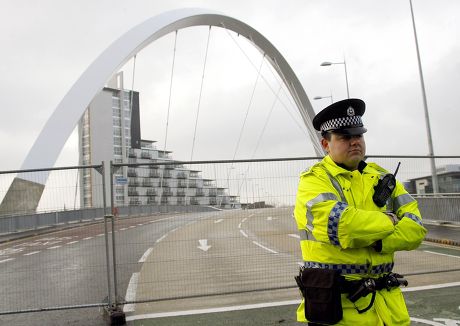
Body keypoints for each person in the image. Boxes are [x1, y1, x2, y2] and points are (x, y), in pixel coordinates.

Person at [293, 98, 427, 325]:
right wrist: (390, 221)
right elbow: (343, 226)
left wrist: (379, 241)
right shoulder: (314, 180)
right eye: (345, 137)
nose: (355, 142)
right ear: (326, 144)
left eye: (359, 135)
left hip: (389, 310)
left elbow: (416, 227)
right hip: (338, 310)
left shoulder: (383, 178)